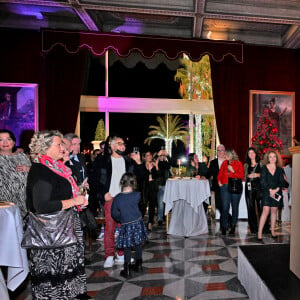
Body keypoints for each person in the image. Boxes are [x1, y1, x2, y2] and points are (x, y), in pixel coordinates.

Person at [26, 130, 89, 299]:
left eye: (63, 143)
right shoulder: (41, 170)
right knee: (54, 277)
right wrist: (74, 202)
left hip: (65, 228)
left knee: (68, 272)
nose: (64, 147)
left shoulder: (57, 167)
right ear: (44, 147)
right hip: (51, 234)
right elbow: (42, 206)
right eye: (59, 144)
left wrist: (78, 199)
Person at [94, 136, 144, 268]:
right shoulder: (103, 160)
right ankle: (109, 255)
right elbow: (95, 179)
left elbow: (140, 177)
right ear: (112, 146)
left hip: (125, 199)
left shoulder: (128, 161)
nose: (123, 146)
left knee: (124, 229)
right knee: (110, 228)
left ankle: (121, 255)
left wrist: (138, 162)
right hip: (110, 198)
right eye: (120, 144)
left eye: (124, 144)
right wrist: (103, 193)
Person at [111, 172, 148, 278]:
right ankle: (139, 264)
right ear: (134, 183)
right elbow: (142, 206)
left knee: (127, 246)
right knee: (138, 243)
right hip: (137, 222)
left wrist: (121, 219)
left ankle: (126, 269)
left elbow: (114, 213)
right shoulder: (137, 195)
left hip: (126, 224)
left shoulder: (118, 198)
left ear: (121, 183)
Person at [0, 129, 31, 218]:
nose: (5, 142)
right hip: (4, 203)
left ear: (13, 142)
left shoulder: (22, 156)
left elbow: (34, 175)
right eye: (1, 140)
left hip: (24, 200)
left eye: (8, 139)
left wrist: (30, 169)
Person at [257, 150, 286, 241]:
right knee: (265, 211)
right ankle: (259, 233)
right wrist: (270, 190)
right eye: (270, 157)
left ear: (276, 158)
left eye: (274, 156)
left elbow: (282, 182)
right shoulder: (264, 168)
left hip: (277, 193)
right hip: (267, 192)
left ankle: (273, 231)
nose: (272, 158)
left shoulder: (280, 169)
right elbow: (262, 181)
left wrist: (276, 190)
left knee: (274, 212)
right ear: (268, 158)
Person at [218, 148, 244, 235]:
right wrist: (219, 182)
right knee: (225, 207)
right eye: (225, 155)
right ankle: (224, 226)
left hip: (235, 187)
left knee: (235, 207)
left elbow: (241, 175)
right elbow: (220, 174)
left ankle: (233, 226)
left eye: (227, 154)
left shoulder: (238, 163)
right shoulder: (224, 163)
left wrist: (233, 171)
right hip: (225, 187)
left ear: (232, 155)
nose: (225, 156)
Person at [244, 147, 263, 234]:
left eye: (253, 153)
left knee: (261, 208)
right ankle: (253, 228)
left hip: (259, 188)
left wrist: (257, 174)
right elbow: (244, 176)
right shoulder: (246, 165)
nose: (251, 154)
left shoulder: (261, 164)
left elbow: (265, 175)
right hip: (249, 187)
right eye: (249, 153)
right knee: (250, 207)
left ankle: (263, 227)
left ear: (256, 153)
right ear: (248, 155)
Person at [206, 144, 227, 222]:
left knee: (225, 205)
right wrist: (202, 176)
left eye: (222, 150)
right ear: (217, 152)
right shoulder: (213, 162)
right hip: (217, 187)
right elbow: (209, 173)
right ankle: (228, 217)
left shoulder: (228, 161)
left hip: (227, 186)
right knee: (218, 205)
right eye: (219, 150)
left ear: (225, 152)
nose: (220, 152)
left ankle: (224, 220)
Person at [142, 151, 158, 231]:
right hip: (145, 188)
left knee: (152, 206)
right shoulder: (142, 165)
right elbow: (141, 176)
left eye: (150, 155)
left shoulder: (154, 165)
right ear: (144, 157)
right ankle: (140, 223)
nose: (149, 157)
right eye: (147, 155)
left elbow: (157, 175)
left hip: (152, 187)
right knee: (143, 205)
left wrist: (156, 167)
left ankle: (150, 223)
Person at [155, 149, 171, 226]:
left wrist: (167, 155)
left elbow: (171, 163)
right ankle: (160, 219)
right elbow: (157, 173)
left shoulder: (165, 163)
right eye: (161, 156)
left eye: (163, 156)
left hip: (167, 184)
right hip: (160, 185)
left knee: (165, 202)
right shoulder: (157, 163)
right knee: (160, 203)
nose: (162, 157)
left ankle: (163, 216)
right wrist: (158, 156)